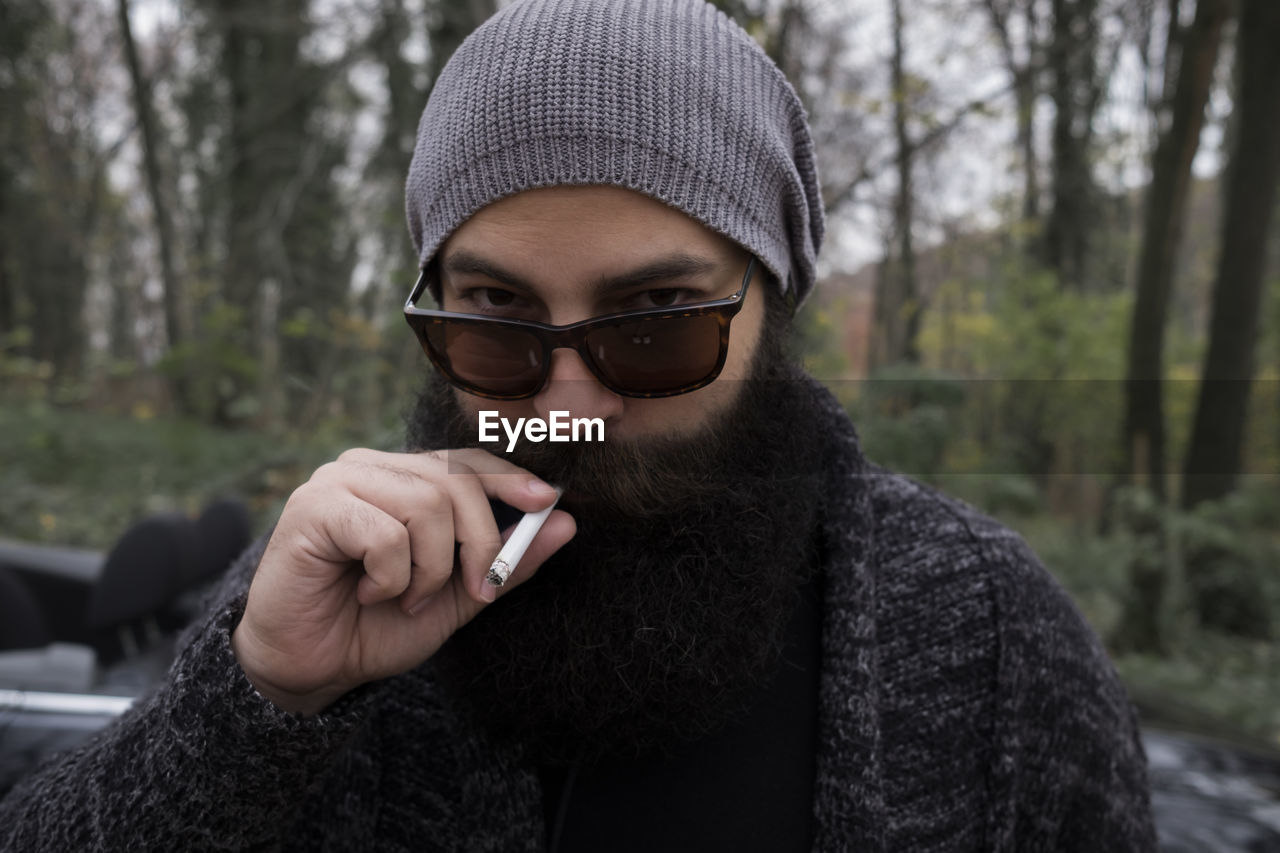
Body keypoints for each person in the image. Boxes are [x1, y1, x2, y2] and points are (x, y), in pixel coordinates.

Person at [0, 0, 1156, 849]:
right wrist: (260, 698)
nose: (566, 407)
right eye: (496, 318)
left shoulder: (988, 630)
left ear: (775, 300)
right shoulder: (349, 571)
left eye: (654, 322)